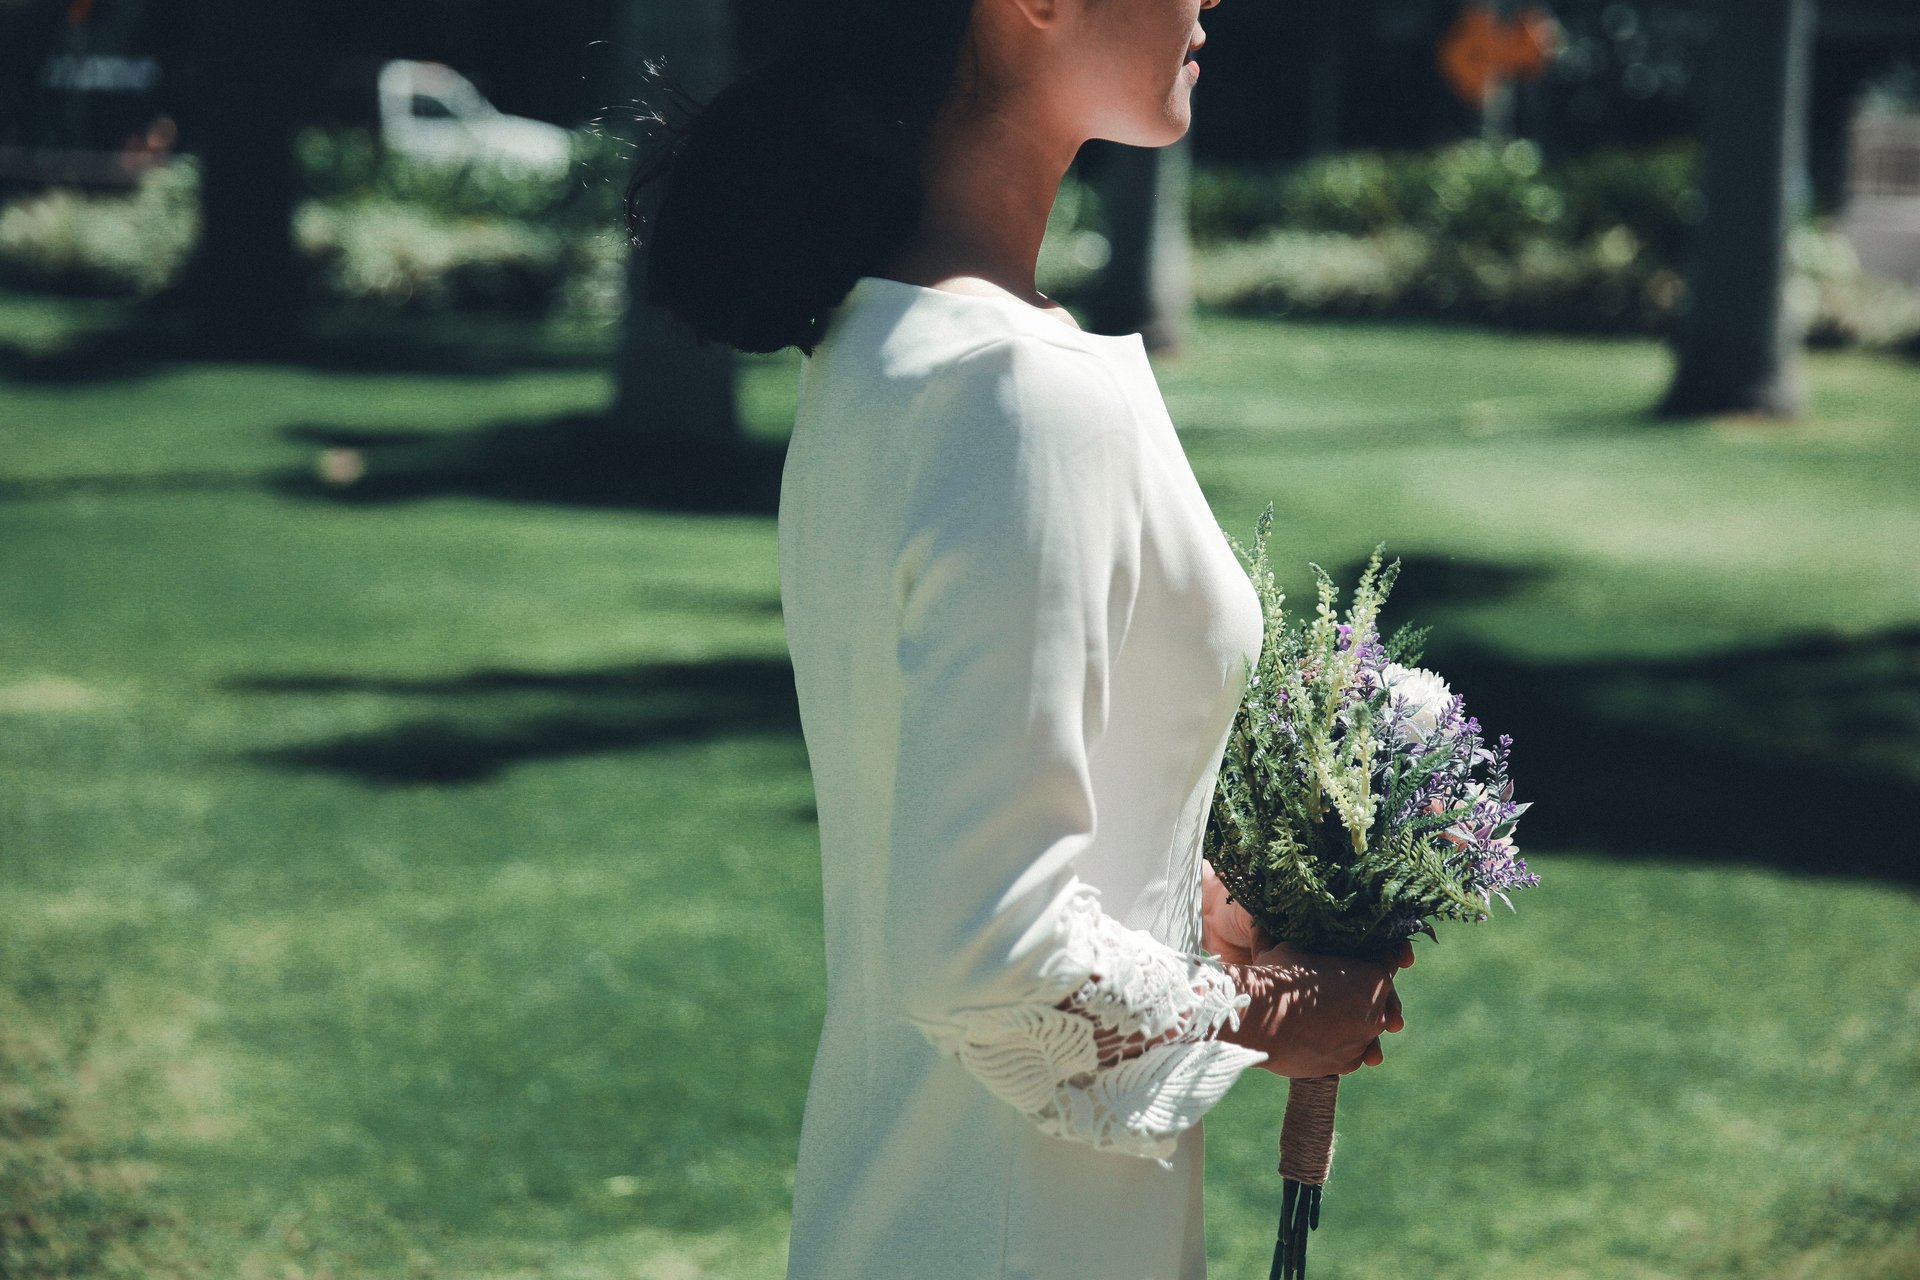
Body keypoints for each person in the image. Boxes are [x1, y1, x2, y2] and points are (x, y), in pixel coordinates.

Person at [627, 1, 1412, 1276]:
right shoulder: (1017, 389)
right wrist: (1274, 1017)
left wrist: (1212, 908)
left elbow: (966, 812)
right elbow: (986, 950)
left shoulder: (887, 351)